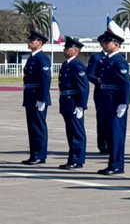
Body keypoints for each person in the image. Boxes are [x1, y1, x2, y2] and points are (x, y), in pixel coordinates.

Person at [94, 28, 130, 175]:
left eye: (108, 41)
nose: (105, 44)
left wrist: (124, 102)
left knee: (116, 134)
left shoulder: (119, 61)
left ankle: (117, 164)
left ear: (116, 45)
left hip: (115, 103)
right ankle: (112, 163)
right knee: (109, 134)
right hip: (106, 101)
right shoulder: (106, 60)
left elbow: (126, 84)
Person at [57, 36, 90, 169]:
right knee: (70, 132)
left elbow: (84, 87)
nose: (65, 50)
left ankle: (77, 159)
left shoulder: (77, 65)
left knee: (77, 132)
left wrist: (81, 106)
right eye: (65, 48)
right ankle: (72, 158)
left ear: (75, 51)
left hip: (74, 102)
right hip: (66, 102)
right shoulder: (66, 64)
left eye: (67, 48)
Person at [20, 29, 52, 166]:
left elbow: (45, 80)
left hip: (38, 97)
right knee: (32, 127)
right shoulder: (32, 58)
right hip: (30, 97)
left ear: (39, 43)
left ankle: (40, 155)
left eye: (32, 40)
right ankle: (34, 154)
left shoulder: (42, 58)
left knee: (38, 127)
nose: (29, 42)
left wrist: (42, 99)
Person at [86, 43, 110, 155]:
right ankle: (103, 145)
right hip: (101, 92)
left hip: (113, 93)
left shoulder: (118, 57)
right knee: (102, 119)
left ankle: (112, 144)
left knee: (113, 120)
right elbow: (90, 74)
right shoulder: (97, 57)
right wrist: (98, 80)